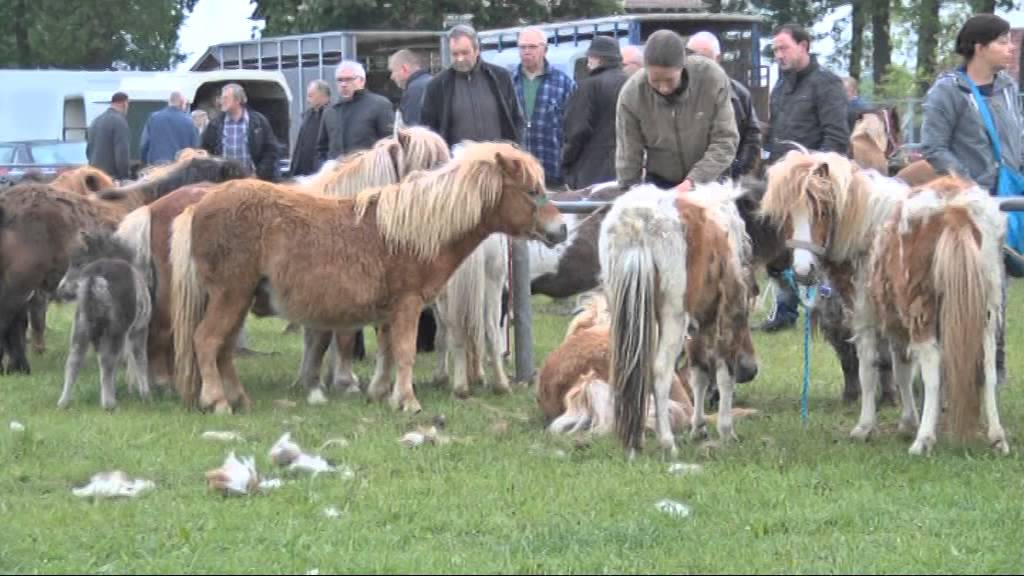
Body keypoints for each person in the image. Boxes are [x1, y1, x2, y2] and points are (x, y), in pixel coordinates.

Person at [922, 13, 1023, 383]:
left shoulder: (1009, 87)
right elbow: (933, 146)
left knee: (997, 285)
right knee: (960, 288)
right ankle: (954, 367)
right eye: (1001, 42)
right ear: (978, 47)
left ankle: (992, 368)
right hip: (965, 208)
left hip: (1007, 202)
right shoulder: (948, 91)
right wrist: (970, 187)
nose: (1010, 48)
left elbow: (1018, 140)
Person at [761, 23, 850, 332]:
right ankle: (786, 307)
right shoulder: (781, 85)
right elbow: (776, 133)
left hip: (815, 187)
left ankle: (822, 305)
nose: (778, 55)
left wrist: (813, 177)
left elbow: (837, 137)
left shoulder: (827, 84)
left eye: (783, 48)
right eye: (775, 50)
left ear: (804, 46)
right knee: (776, 249)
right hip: (782, 183)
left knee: (811, 251)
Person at [616, 29, 738, 193]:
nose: (663, 88)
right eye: (655, 80)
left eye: (669, 80)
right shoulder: (631, 95)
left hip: (710, 183)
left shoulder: (711, 78)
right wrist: (628, 191)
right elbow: (629, 153)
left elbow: (725, 139)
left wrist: (693, 182)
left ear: (682, 66)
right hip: (660, 184)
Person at [421, 24, 523, 148]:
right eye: (455, 54)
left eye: (465, 53)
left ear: (477, 50)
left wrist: (516, 150)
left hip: (498, 159)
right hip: (458, 162)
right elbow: (428, 129)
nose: (460, 59)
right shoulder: (437, 86)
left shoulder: (500, 77)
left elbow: (515, 118)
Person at [685, 31, 762, 178]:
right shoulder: (675, 94)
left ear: (718, 59)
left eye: (704, 57)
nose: (699, 63)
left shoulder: (739, 95)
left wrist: (738, 171)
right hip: (686, 182)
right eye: (693, 57)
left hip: (726, 182)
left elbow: (752, 138)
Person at [561, 36, 629, 188]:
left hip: (592, 172)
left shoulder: (588, 87)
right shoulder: (634, 84)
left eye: (589, 57)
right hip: (629, 170)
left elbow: (577, 131)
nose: (587, 62)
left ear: (597, 59)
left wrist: (566, 165)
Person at [511, 27, 575, 187]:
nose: (526, 51)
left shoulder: (564, 83)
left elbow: (574, 131)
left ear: (545, 49)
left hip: (552, 174)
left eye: (532, 47)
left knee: (549, 210)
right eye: (522, 47)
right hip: (517, 176)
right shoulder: (507, 82)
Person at [317, 60, 395, 163]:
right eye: (340, 80)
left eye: (349, 79)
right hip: (337, 174)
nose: (343, 84)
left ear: (362, 81)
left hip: (368, 173)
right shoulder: (331, 110)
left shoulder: (380, 105)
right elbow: (321, 148)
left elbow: (390, 143)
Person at [201, 83, 281, 181]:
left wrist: (259, 175)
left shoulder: (258, 121)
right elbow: (205, 151)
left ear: (238, 100)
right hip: (224, 183)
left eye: (225, 98)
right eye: (222, 98)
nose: (221, 101)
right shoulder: (215, 124)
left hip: (252, 181)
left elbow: (271, 150)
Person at [140, 91, 199, 165]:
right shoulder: (190, 122)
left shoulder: (154, 118)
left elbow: (144, 144)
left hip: (156, 166)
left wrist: (143, 162)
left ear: (169, 102)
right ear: (182, 103)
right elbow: (194, 148)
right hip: (179, 168)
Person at [86, 91, 131, 180]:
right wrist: (124, 176)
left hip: (94, 176)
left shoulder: (96, 121)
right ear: (125, 103)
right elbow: (122, 152)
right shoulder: (120, 121)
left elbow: (88, 151)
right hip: (110, 178)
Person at [290, 79, 331, 177]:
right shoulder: (308, 115)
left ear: (323, 96)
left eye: (310, 95)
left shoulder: (333, 115)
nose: (308, 99)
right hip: (302, 173)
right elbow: (300, 145)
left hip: (321, 174)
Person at [388, 49, 432, 125]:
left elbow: (414, 128)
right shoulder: (431, 82)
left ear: (404, 68)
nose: (392, 77)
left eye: (393, 71)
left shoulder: (416, 89)